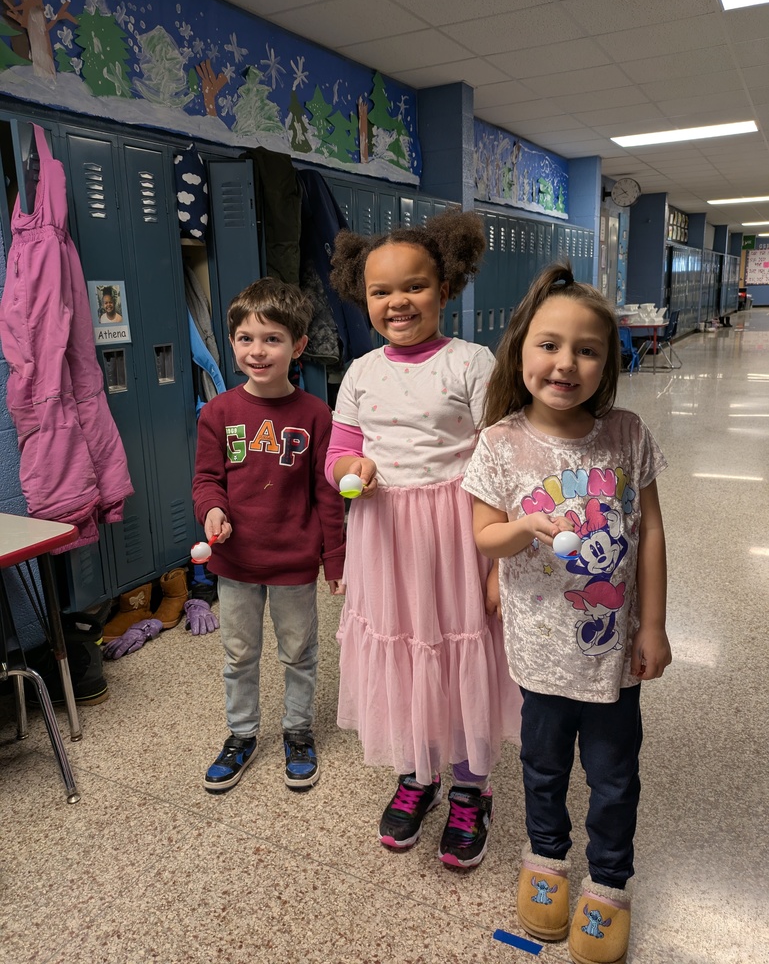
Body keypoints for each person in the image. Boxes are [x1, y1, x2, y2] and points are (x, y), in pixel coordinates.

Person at [462, 263, 671, 964]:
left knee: (614, 777)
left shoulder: (626, 433)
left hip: (613, 652)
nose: (566, 363)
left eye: (586, 349)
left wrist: (653, 624)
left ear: (605, 362)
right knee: (543, 768)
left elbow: (650, 534)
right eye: (549, 345)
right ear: (520, 349)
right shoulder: (498, 442)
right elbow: (484, 536)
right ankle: (545, 861)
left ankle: (608, 884)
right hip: (540, 648)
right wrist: (527, 526)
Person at [326, 210, 520, 870]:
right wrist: (350, 472)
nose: (396, 302)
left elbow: (502, 459)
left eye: (413, 286)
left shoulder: (472, 362)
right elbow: (340, 452)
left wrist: (498, 565)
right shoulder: (358, 372)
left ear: (444, 287)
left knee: (455, 646)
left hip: (455, 533)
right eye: (381, 292)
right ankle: (417, 774)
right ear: (363, 296)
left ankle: (470, 786)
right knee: (405, 652)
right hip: (383, 537)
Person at [192, 278, 345, 793]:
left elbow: (328, 496)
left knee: (299, 653)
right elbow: (207, 480)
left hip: (293, 563)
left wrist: (335, 561)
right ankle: (241, 734)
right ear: (232, 342)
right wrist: (212, 510)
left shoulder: (316, 414)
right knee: (239, 654)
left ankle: (297, 732)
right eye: (245, 338)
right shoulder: (217, 414)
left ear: (298, 346)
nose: (257, 351)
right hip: (234, 562)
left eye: (273, 338)